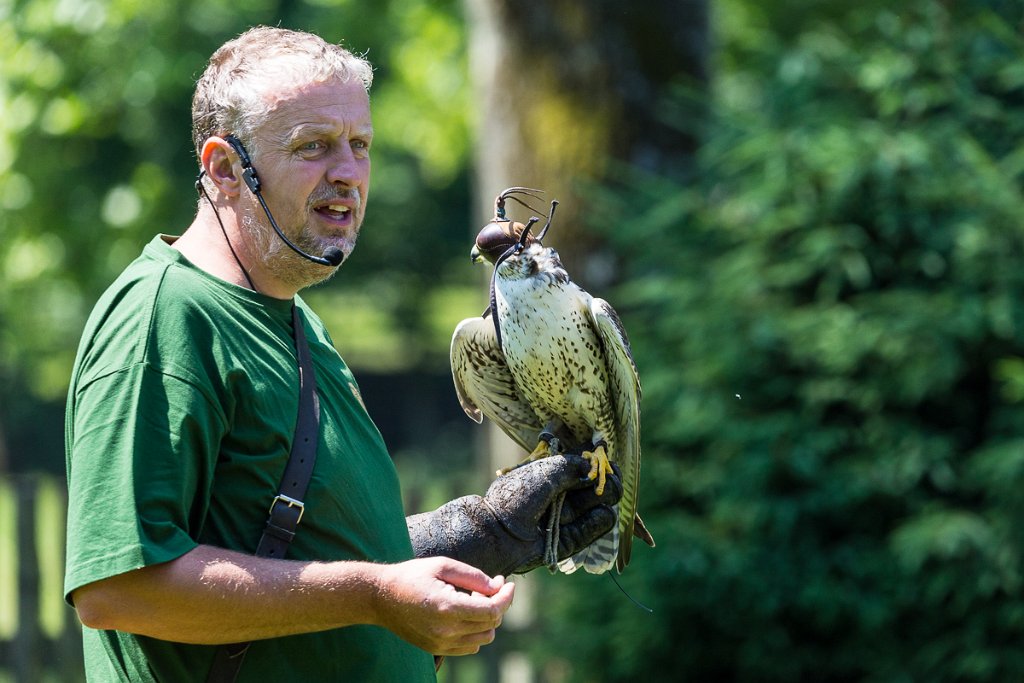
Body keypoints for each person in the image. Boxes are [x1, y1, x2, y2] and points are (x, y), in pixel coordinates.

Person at [63, 26, 621, 682]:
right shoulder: (164, 321)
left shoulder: (295, 320)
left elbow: (300, 550)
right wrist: (374, 595)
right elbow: (120, 587)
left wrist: (469, 535)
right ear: (223, 168)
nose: (349, 174)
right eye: (314, 147)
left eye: (360, 145)